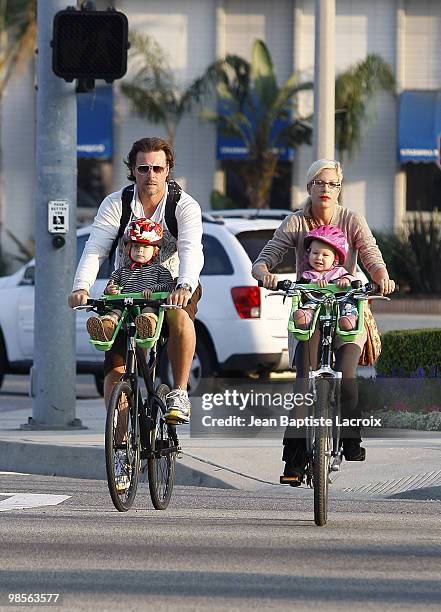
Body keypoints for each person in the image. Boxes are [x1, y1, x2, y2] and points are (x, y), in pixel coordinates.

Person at [252, 159, 395, 486]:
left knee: (347, 377)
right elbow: (265, 258)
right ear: (309, 188)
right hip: (308, 310)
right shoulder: (296, 223)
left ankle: (350, 438)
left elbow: (372, 256)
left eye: (332, 184)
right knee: (303, 380)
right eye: (319, 183)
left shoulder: (351, 219)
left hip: (347, 309)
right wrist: (265, 275)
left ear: (339, 188)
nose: (325, 189)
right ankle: (294, 459)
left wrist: (382, 278)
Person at [68, 137, 204, 425]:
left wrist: (185, 285)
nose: (150, 175)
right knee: (114, 371)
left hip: (172, 285)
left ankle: (179, 392)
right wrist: (81, 286)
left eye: (157, 168)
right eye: (143, 168)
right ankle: (120, 449)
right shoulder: (117, 203)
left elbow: (192, 249)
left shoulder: (182, 205)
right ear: (132, 169)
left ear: (168, 169)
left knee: (179, 316)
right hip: (127, 286)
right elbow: (96, 248)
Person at [86, 218, 175, 342]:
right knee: (114, 313)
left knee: (148, 312)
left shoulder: (159, 270)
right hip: (124, 305)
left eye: (145, 247)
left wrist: (152, 289)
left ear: (155, 250)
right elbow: (111, 285)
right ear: (128, 249)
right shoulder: (122, 271)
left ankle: (147, 326)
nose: (140, 250)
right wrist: (110, 289)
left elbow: (168, 285)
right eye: (136, 246)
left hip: (147, 303)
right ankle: (105, 329)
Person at [294, 225, 358, 332]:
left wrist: (345, 280)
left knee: (347, 305)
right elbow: (301, 285)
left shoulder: (339, 272)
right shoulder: (308, 274)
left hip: (338, 302)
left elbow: (353, 279)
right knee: (308, 305)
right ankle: (305, 318)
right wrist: (314, 283)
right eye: (315, 253)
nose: (319, 257)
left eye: (325, 255)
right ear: (308, 254)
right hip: (316, 303)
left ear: (335, 259)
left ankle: (348, 319)